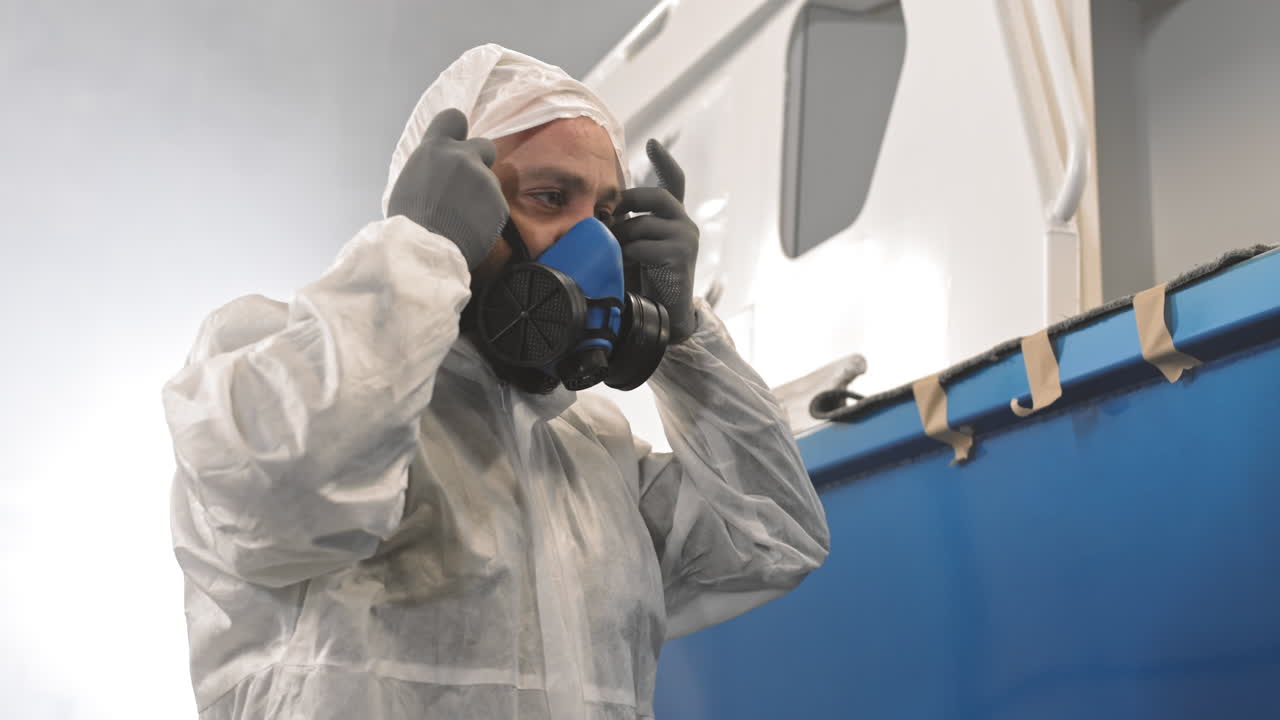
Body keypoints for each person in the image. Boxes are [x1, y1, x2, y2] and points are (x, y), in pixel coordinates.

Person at [162, 44, 829, 720]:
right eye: (550, 198)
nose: (594, 246)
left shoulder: (591, 449)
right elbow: (294, 494)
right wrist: (421, 250)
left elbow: (772, 537)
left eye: (606, 216)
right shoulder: (267, 365)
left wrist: (684, 338)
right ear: (450, 205)